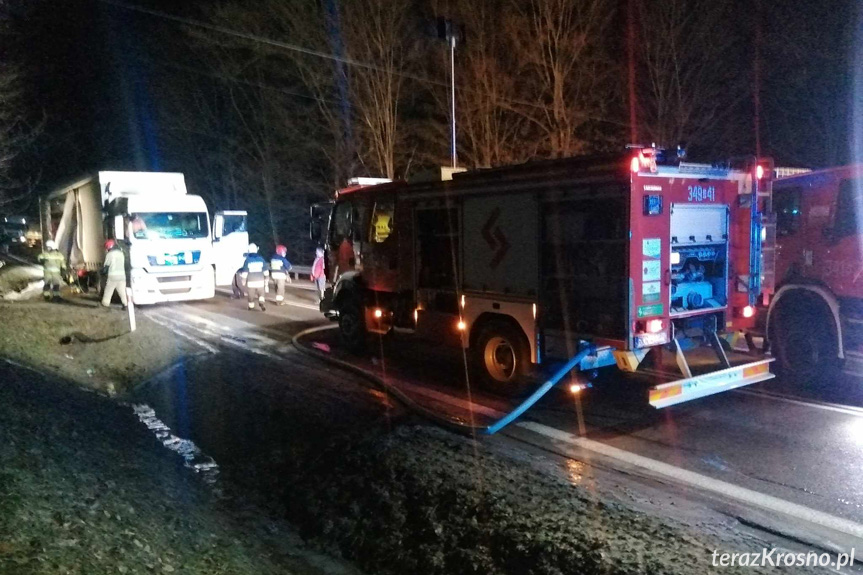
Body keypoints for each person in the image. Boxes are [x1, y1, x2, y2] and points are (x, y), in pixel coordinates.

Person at [240, 243, 268, 311]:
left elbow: (245, 272)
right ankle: (261, 301)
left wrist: (243, 281)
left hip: (251, 282)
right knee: (261, 293)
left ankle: (251, 306)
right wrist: (266, 279)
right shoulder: (261, 259)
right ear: (256, 250)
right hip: (260, 281)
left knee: (251, 295)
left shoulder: (247, 260)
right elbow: (265, 271)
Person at [101, 239, 128, 309]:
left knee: (108, 290)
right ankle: (125, 304)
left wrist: (102, 272)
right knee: (122, 291)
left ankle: (105, 303)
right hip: (122, 276)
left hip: (113, 276)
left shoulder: (109, 254)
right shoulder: (121, 253)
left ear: (108, 247)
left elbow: (106, 266)